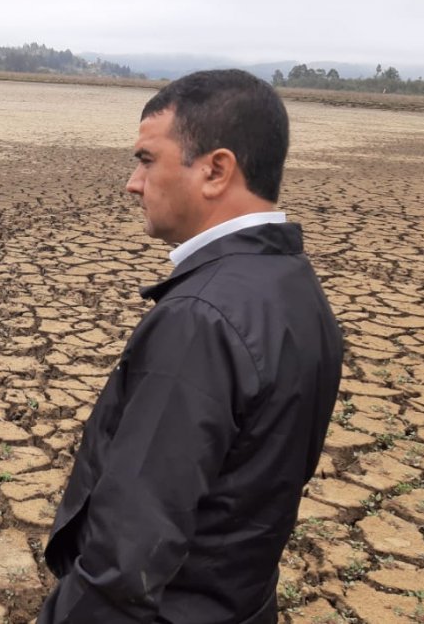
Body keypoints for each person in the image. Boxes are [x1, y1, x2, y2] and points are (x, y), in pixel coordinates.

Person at [38, 69, 343, 623]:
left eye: (148, 159)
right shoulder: (294, 286)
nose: (133, 182)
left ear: (215, 169)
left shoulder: (200, 318)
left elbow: (127, 559)